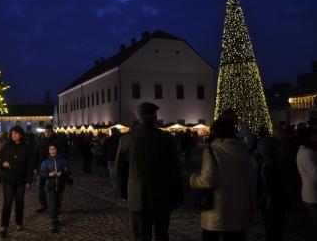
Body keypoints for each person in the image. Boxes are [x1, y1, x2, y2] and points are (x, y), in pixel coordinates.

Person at [116, 102, 184, 241]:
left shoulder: (127, 138)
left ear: (140, 116)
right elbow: (174, 169)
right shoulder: (166, 138)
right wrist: (178, 193)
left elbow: (120, 169)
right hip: (162, 194)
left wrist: (123, 192)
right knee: (162, 235)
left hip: (137, 195)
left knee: (141, 236)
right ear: (153, 116)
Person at [190, 118, 254, 241]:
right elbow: (250, 179)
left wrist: (194, 179)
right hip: (239, 210)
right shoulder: (243, 151)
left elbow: (207, 180)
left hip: (217, 211)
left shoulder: (212, 151)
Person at [0, 126, 34, 237]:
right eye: (12, 134)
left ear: (21, 135)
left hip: (21, 180)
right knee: (7, 203)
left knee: (19, 203)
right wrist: (3, 163)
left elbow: (30, 165)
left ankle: (19, 222)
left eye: (16, 134)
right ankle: (4, 225)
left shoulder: (26, 148)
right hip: (8, 179)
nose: (14, 135)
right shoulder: (7, 146)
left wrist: (29, 180)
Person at [257, 136, 287, 241]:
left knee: (272, 230)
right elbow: (274, 189)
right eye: (278, 147)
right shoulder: (270, 165)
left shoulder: (265, 162)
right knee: (274, 230)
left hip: (269, 204)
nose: (281, 149)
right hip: (272, 204)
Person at [34, 124, 66, 213]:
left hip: (53, 166)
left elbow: (63, 153)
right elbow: (36, 154)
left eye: (49, 132)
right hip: (41, 167)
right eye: (46, 131)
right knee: (40, 187)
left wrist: (61, 166)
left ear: (52, 132)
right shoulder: (40, 141)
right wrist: (35, 167)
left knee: (53, 188)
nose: (47, 133)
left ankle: (55, 206)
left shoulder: (57, 141)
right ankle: (43, 204)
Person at [40, 144, 71, 233]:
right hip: (51, 185)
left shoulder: (63, 161)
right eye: (50, 149)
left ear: (57, 150)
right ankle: (54, 221)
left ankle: (56, 216)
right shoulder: (45, 162)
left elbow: (69, 170)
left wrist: (63, 173)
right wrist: (48, 174)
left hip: (61, 185)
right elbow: (41, 173)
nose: (52, 151)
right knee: (52, 203)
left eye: (54, 149)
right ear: (48, 151)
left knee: (58, 202)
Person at [297, 127, 317, 241]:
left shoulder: (306, 151)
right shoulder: (307, 153)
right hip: (313, 196)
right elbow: (315, 174)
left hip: (310, 194)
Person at [104, 127, 121, 193]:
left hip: (110, 158)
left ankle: (116, 188)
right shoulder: (121, 138)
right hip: (119, 158)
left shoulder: (108, 140)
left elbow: (104, 149)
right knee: (119, 173)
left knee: (113, 174)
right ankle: (120, 187)